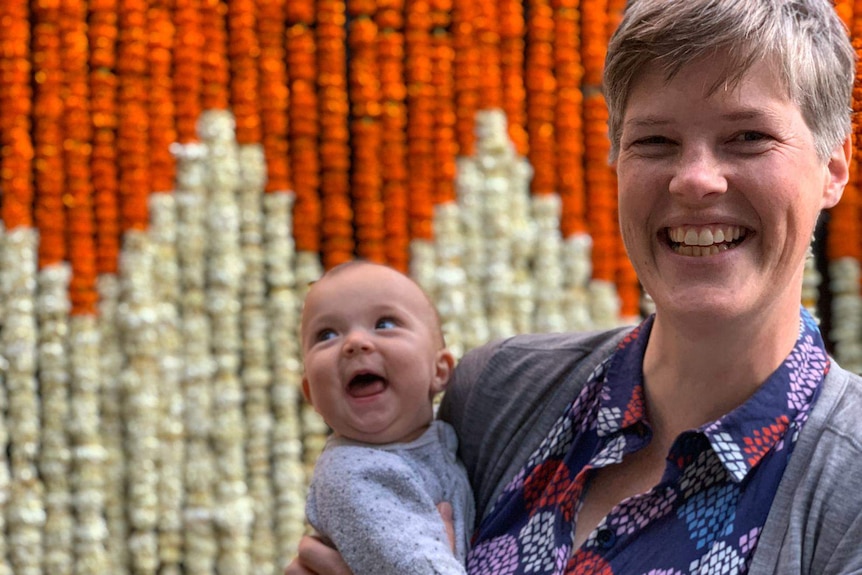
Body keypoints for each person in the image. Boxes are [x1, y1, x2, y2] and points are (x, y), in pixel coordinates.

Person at [286, 0, 862, 573]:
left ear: (833, 168)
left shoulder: (847, 484)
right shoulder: (495, 393)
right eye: (654, 142)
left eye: (748, 136)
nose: (694, 180)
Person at [297, 260, 474, 575]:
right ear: (312, 395)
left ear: (439, 370)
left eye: (385, 324)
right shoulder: (351, 475)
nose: (354, 343)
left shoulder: (451, 430)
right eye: (326, 335)